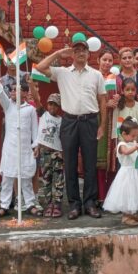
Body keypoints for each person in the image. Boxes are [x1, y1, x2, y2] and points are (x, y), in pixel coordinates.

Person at [36, 40, 107, 220]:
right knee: (70, 164)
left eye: (84, 50)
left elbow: (102, 100)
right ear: (72, 54)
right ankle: (74, 204)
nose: (80, 53)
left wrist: (102, 126)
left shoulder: (96, 75)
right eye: (77, 50)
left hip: (90, 121)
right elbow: (40, 67)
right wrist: (58, 53)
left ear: (88, 54)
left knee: (90, 163)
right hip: (69, 122)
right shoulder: (62, 73)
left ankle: (89, 203)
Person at [0, 73, 41, 218]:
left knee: (26, 178)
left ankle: (30, 204)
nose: (12, 92)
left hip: (25, 149)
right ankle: (4, 206)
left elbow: (35, 130)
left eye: (15, 90)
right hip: (10, 149)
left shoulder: (30, 110)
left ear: (24, 93)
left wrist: (36, 145)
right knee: (7, 178)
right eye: (11, 90)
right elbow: (1, 94)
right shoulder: (8, 106)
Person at [102, 118, 138, 226]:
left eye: (137, 135)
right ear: (124, 134)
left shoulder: (134, 143)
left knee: (137, 193)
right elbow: (126, 152)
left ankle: (135, 213)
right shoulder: (121, 145)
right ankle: (126, 216)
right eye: (133, 136)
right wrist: (136, 147)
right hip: (127, 173)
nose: (135, 138)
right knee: (128, 194)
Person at [35, 93, 64, 218]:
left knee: (58, 180)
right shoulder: (43, 114)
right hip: (44, 153)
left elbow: (63, 138)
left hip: (57, 153)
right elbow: (36, 99)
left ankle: (57, 205)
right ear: (47, 105)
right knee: (46, 180)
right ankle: (49, 204)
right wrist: (31, 84)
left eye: (55, 105)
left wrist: (63, 153)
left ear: (59, 107)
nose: (52, 107)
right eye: (50, 104)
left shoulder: (62, 120)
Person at [96, 49, 117, 200]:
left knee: (112, 159)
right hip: (96, 120)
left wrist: (118, 99)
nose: (107, 63)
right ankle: (99, 195)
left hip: (114, 120)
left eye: (110, 60)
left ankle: (111, 196)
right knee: (99, 158)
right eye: (104, 59)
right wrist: (104, 105)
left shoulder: (115, 79)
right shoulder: (93, 76)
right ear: (98, 60)